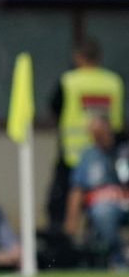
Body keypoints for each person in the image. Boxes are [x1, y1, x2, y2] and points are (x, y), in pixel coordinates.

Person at [47, 38, 124, 232]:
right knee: (101, 202)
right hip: (108, 155)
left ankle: (65, 247)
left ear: (78, 57)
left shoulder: (69, 81)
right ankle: (96, 247)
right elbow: (119, 120)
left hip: (73, 156)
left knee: (61, 205)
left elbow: (54, 109)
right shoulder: (114, 82)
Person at [64, 115, 129, 269]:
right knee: (103, 213)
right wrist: (71, 221)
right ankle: (119, 260)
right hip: (103, 205)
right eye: (93, 134)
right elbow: (77, 189)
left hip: (125, 199)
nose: (97, 137)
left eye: (100, 132)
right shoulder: (88, 156)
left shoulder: (123, 150)